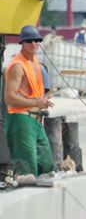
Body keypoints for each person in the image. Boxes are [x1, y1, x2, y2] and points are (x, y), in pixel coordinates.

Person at [3, 25, 54, 176]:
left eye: (37, 40)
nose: (34, 43)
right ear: (21, 43)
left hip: (35, 120)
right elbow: (9, 97)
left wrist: (41, 100)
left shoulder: (35, 62)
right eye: (29, 41)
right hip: (21, 120)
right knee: (27, 168)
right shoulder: (17, 66)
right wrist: (36, 103)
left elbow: (32, 92)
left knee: (46, 164)